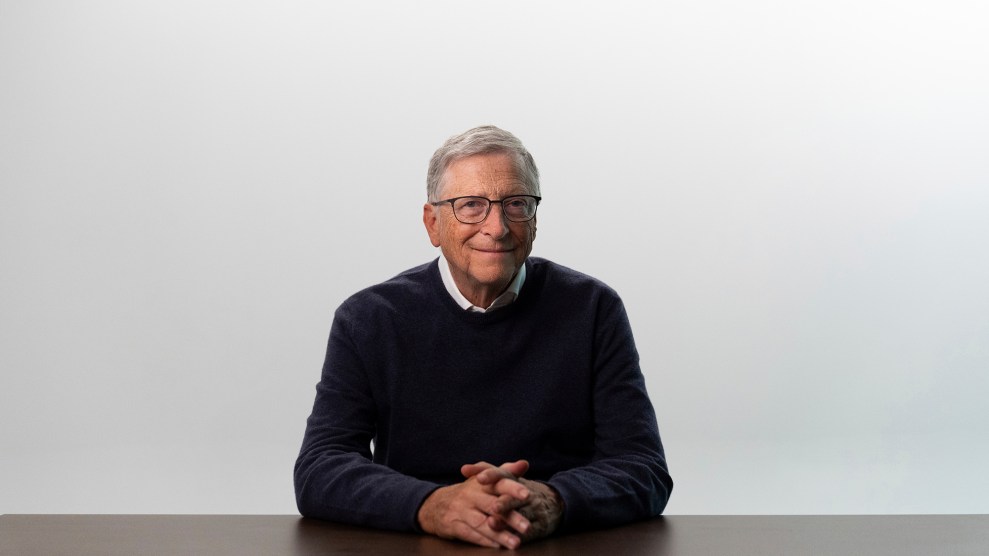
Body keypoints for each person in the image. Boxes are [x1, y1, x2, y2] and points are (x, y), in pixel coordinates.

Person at [294, 125, 672, 549]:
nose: (497, 227)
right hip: (419, 542)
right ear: (433, 223)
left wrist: (551, 499)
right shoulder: (368, 319)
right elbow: (320, 469)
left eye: (515, 204)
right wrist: (432, 504)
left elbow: (643, 468)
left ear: (534, 217)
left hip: (553, 540)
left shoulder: (593, 309)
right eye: (470, 205)